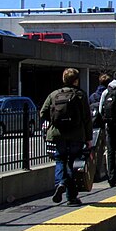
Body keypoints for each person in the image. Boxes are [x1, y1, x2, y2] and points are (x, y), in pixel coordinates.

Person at [40, 68, 93, 206]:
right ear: (76, 80)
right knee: (71, 163)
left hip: (58, 134)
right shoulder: (81, 95)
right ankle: (71, 197)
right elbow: (87, 118)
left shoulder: (54, 95)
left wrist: (54, 121)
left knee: (60, 159)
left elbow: (43, 113)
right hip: (76, 134)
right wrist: (88, 138)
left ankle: (60, 183)